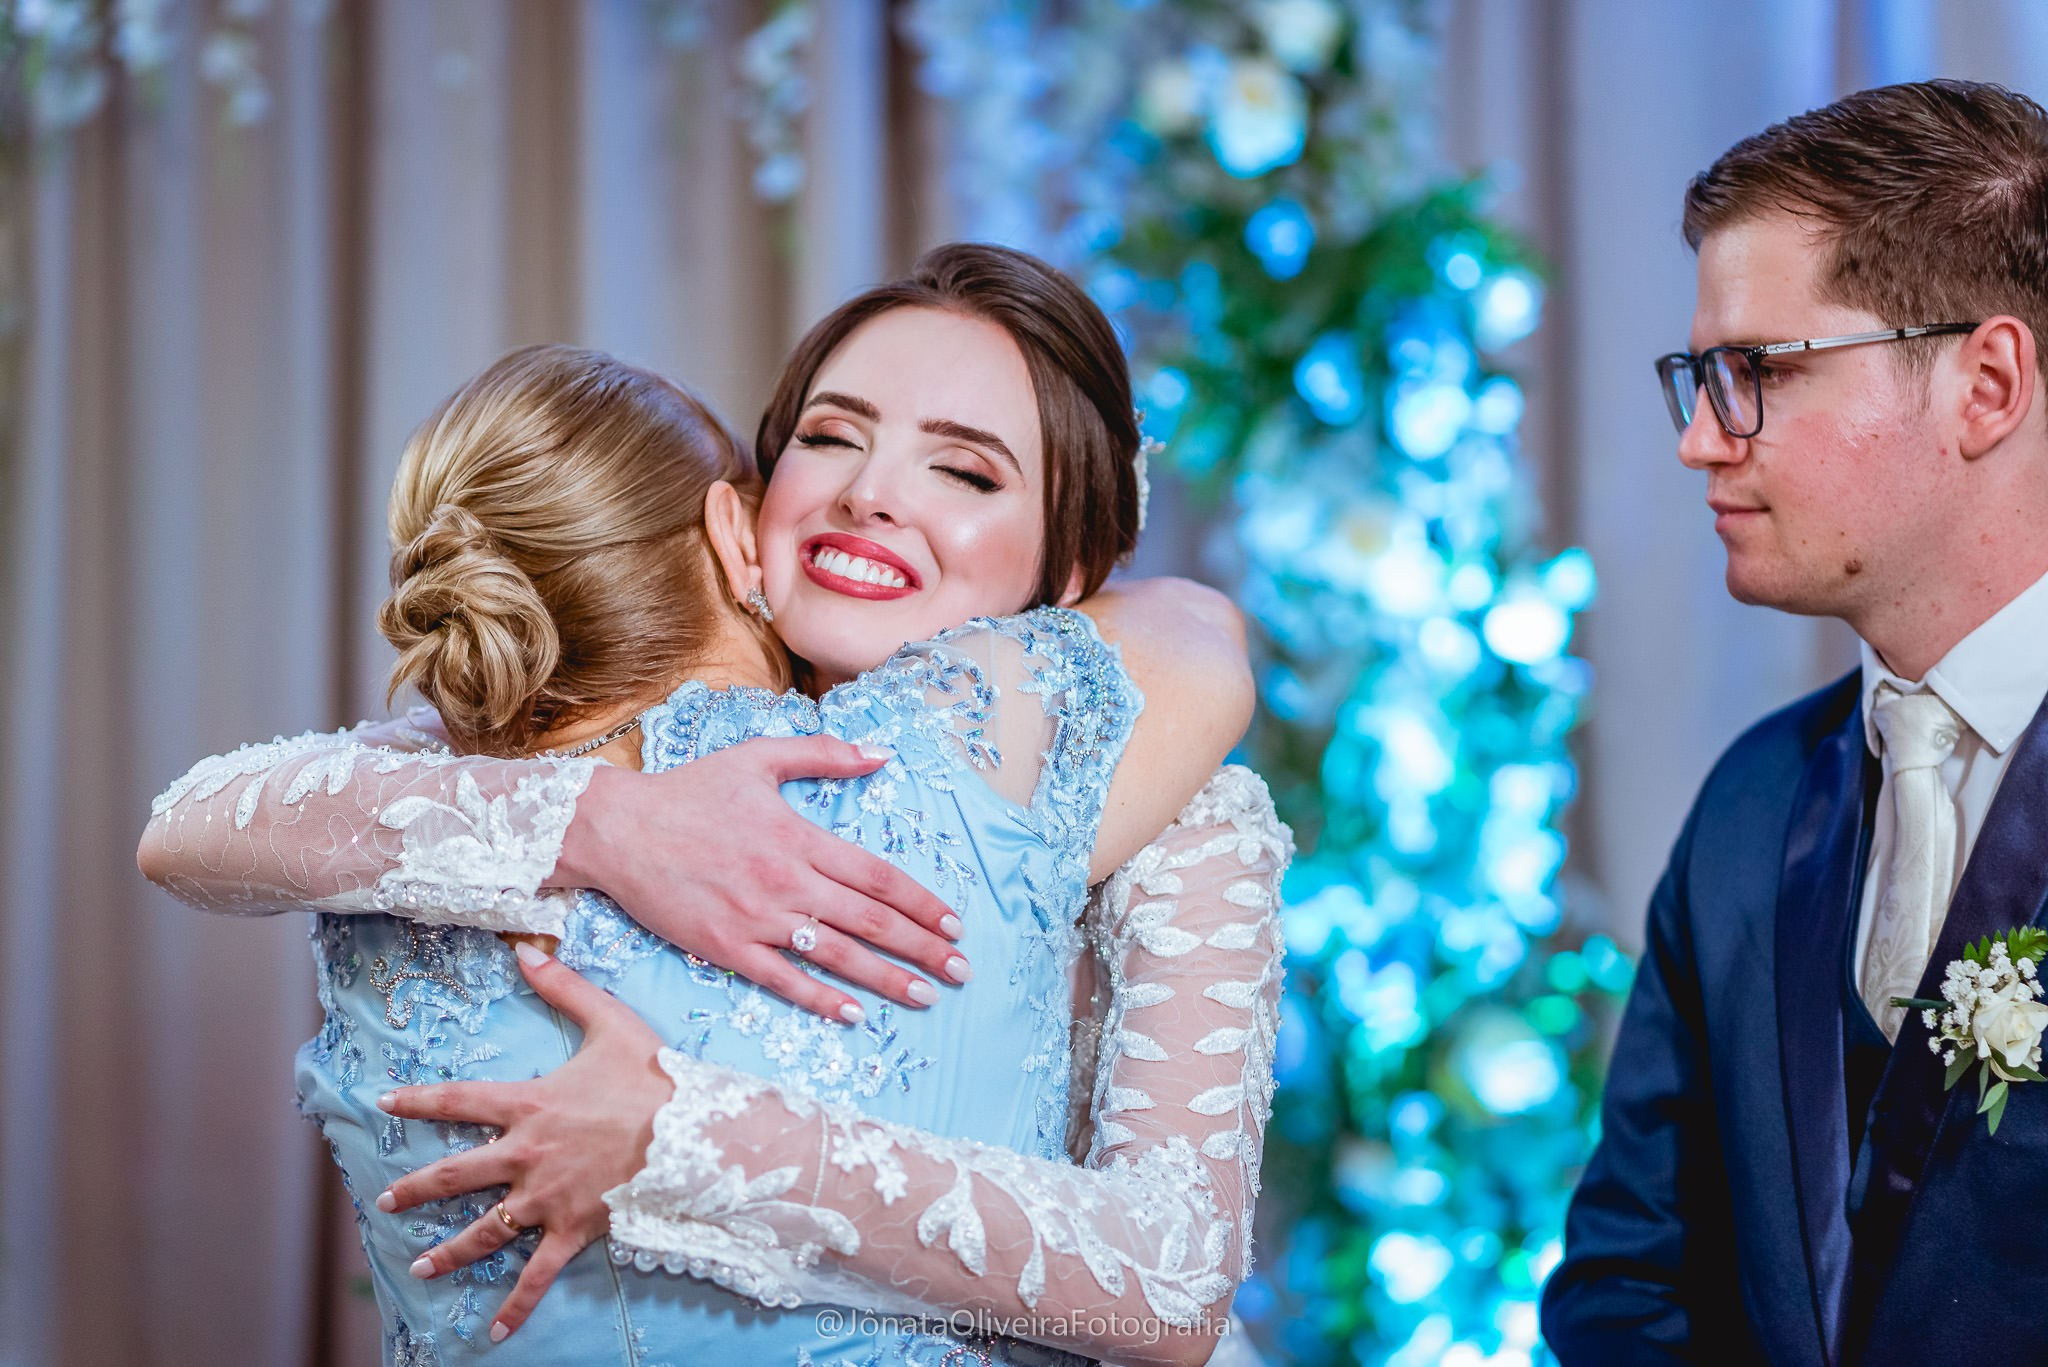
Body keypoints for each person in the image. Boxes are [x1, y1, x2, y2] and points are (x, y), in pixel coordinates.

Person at [143, 245, 1289, 1365]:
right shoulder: (513, 753)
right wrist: (601, 820)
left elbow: (1171, 1283)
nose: (868, 492)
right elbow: (194, 823)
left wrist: (681, 1134)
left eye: (966, 470)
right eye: (830, 435)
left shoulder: (1180, 803)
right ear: (742, 518)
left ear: (1075, 566)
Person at [1541, 80, 2048, 1365]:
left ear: (1984, 383)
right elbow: (1626, 1281)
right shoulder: (1751, 805)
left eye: (1755, 372)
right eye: (1699, 379)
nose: (1700, 441)